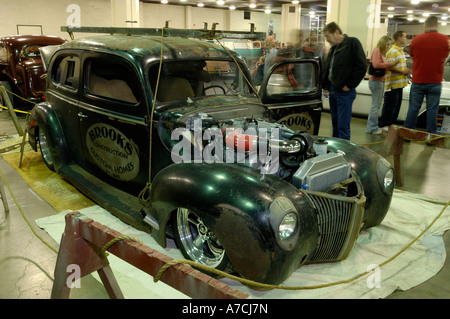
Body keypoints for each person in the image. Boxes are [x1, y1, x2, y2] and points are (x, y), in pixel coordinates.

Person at [404, 16, 450, 134]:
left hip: (418, 80)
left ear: (425, 25)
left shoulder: (417, 39)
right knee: (432, 110)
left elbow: (413, 55)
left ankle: (407, 133)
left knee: (413, 109)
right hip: (435, 82)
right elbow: (445, 56)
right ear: (437, 24)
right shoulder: (444, 39)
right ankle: (431, 136)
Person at [322, 22, 367, 140]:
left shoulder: (352, 43)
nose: (327, 40)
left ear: (336, 32)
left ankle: (344, 151)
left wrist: (349, 85)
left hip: (344, 92)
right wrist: (325, 85)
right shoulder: (334, 48)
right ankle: (335, 149)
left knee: (343, 126)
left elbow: (361, 66)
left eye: (328, 36)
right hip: (333, 90)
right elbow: (329, 67)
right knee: (335, 124)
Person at [378, 31, 410, 131]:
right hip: (392, 85)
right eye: (404, 37)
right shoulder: (392, 51)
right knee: (390, 106)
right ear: (399, 38)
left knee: (395, 107)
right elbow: (389, 67)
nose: (406, 39)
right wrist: (403, 71)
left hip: (399, 84)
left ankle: (390, 123)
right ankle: (384, 124)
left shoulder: (400, 51)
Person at [366, 35, 397, 134]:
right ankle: (372, 128)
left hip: (380, 81)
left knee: (377, 105)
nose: (388, 47)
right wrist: (389, 64)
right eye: (387, 44)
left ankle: (372, 127)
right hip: (376, 81)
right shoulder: (377, 51)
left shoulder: (382, 53)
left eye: (389, 45)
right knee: (375, 106)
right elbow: (375, 64)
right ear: (383, 43)